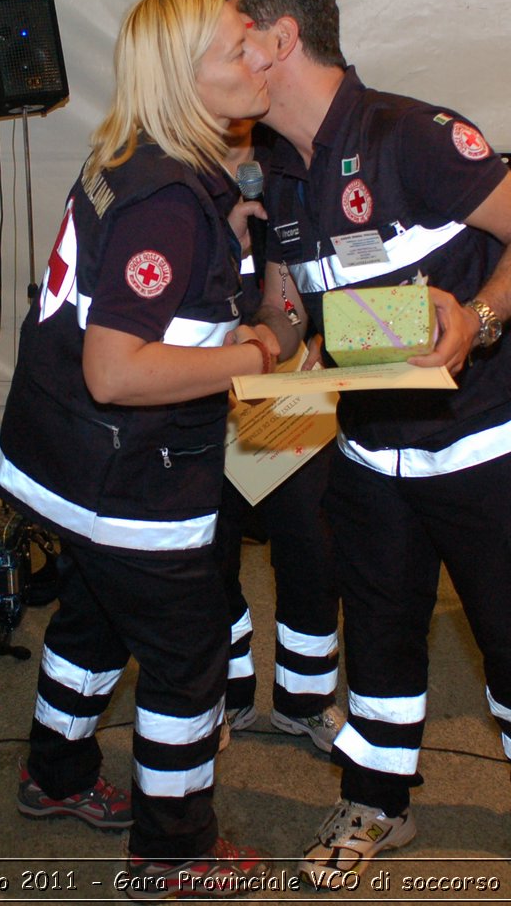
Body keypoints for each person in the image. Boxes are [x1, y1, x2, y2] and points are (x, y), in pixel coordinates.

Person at [221, 0, 511, 895]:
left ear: (278, 41)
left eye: (228, 42)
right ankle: (377, 799)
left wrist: (483, 319)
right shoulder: (272, 166)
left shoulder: (413, 134)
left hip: (484, 441)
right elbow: (291, 303)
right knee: (381, 628)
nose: (213, 64)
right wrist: (258, 342)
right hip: (363, 446)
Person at [0, 0, 278, 900]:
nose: (260, 61)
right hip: (129, 478)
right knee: (188, 662)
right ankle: (173, 852)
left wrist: (220, 238)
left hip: (60, 463)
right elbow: (116, 369)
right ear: (181, 78)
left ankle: (57, 773)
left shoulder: (131, 160)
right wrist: (256, 352)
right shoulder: (167, 201)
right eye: (238, 51)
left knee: (94, 617)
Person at [215, 121, 345, 754]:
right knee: (210, 551)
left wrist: (321, 335)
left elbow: (303, 286)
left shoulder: (294, 162)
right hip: (204, 393)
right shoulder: (175, 165)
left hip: (293, 392)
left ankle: (307, 699)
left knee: (309, 547)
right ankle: (225, 694)